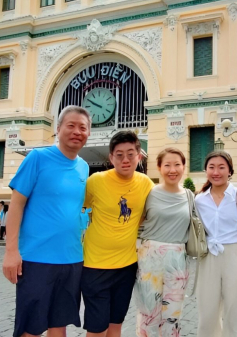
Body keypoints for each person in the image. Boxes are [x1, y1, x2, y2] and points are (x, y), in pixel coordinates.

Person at [3, 105, 91, 337]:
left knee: (59, 324)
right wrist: (11, 252)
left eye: (83, 127)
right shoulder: (37, 158)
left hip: (72, 259)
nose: (77, 131)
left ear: (88, 133)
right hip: (36, 259)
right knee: (31, 327)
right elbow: (16, 205)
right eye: (70, 125)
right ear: (58, 128)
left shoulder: (84, 167)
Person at [82, 130, 153, 337]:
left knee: (115, 326)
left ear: (139, 156)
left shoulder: (146, 184)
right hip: (95, 266)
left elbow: (148, 214)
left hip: (127, 267)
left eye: (131, 154)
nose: (125, 159)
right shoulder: (96, 181)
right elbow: (77, 206)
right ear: (111, 157)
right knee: (97, 329)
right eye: (119, 154)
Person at [194, 151, 237, 337]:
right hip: (207, 258)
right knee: (207, 315)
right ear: (205, 170)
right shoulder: (199, 200)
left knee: (235, 314)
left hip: (235, 256)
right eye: (211, 167)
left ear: (230, 171)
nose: (216, 172)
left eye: (221, 167)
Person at [134, 148, 191, 337]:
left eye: (177, 164)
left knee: (173, 312)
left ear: (184, 167)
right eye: (167, 165)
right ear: (159, 167)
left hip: (177, 260)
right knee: (149, 311)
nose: (172, 169)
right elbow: (135, 223)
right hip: (150, 256)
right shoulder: (148, 194)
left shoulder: (189, 196)